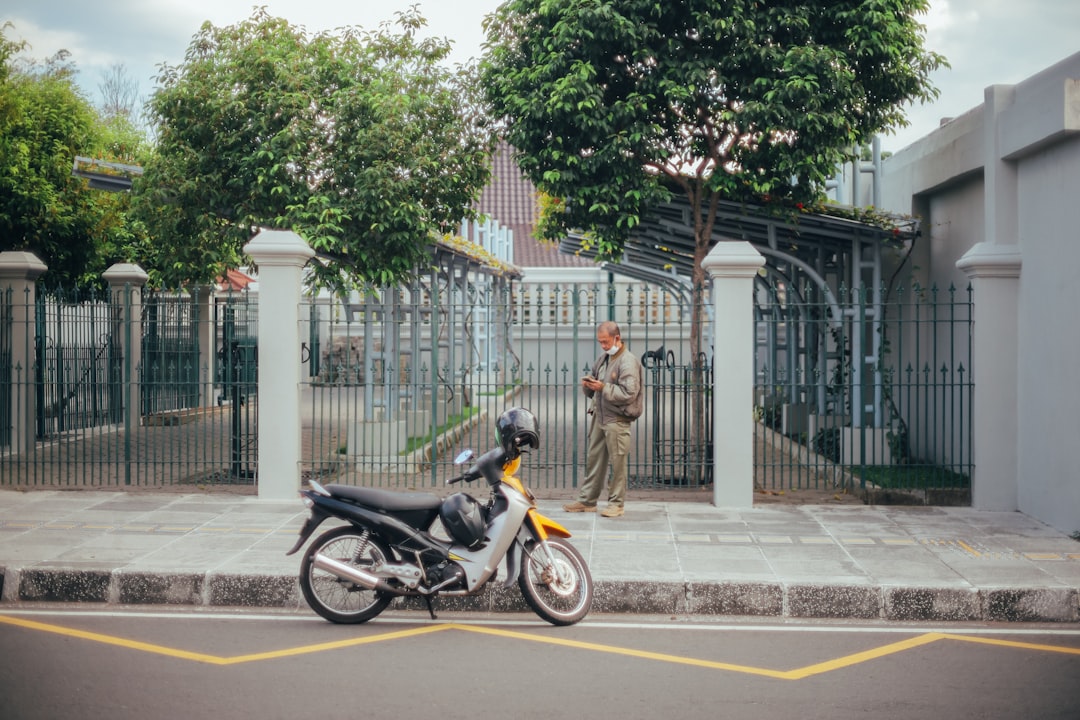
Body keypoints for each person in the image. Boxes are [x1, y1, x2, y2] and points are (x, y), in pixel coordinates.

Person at [563, 321, 643, 518]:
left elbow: (629, 393)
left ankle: (616, 504)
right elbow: (596, 388)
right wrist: (589, 385)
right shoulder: (604, 358)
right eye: (600, 342)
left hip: (617, 418)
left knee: (618, 463)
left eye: (606, 342)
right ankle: (587, 501)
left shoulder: (627, 361)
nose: (603, 346)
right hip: (601, 416)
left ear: (617, 338)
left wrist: (603, 388)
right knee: (595, 460)